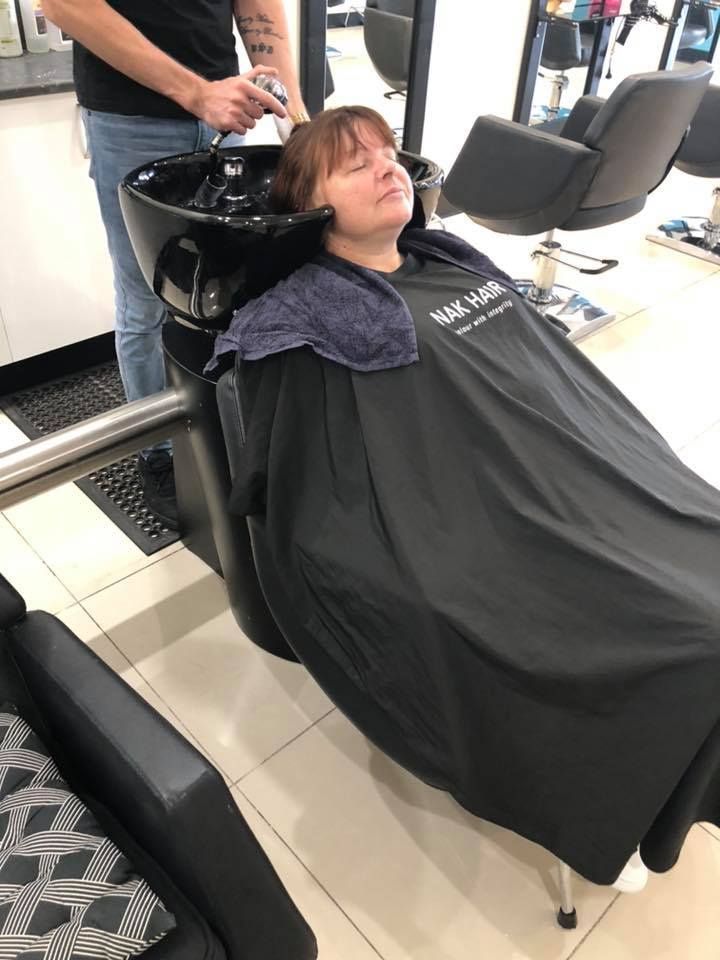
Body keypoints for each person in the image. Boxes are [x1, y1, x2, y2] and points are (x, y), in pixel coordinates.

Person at [208, 106, 720, 893]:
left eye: (389, 154)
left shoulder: (449, 260)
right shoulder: (304, 321)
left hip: (580, 479)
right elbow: (314, 488)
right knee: (686, 633)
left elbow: (560, 391)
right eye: (357, 164)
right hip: (469, 523)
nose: (388, 169)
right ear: (310, 204)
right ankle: (623, 803)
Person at [42, 0, 309, 529]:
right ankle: (158, 456)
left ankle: (229, 436)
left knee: (230, 291)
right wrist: (195, 92)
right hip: (131, 120)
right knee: (147, 297)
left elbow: (255, 5)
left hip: (229, 112)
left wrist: (295, 113)